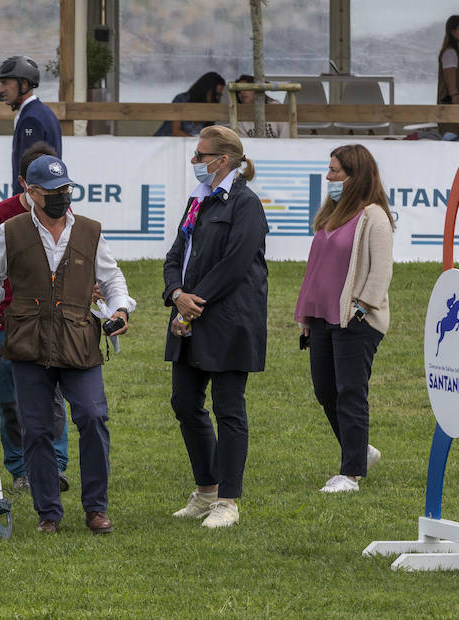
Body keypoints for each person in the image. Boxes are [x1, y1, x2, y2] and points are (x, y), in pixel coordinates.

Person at [0, 155, 133, 535]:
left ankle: (96, 509)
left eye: (66, 189)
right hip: (28, 341)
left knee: (93, 418)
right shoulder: (9, 230)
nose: (62, 197)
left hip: (79, 340)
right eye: (53, 191)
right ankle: (49, 513)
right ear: (31, 192)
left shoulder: (91, 231)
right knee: (37, 428)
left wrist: (121, 310)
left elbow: (113, 281)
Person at [162, 125, 267, 529]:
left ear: (222, 161)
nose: (194, 162)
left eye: (200, 156)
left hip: (229, 320)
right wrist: (176, 294)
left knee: (228, 408)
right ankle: (206, 491)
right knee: (184, 403)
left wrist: (191, 305)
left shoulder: (246, 204)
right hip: (190, 315)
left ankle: (228, 500)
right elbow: (175, 254)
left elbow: (236, 265)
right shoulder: (198, 201)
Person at [0, 140, 73, 493]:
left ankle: (54, 464)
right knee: (10, 397)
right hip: (6, 321)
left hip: (52, 318)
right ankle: (19, 468)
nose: (56, 195)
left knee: (53, 392)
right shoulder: (2, 214)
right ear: (26, 184)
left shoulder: (65, 214)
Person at [293, 145, 393, 494]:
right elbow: (315, 271)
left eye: (335, 171)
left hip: (355, 320)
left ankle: (350, 474)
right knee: (325, 390)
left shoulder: (374, 217)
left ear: (355, 175)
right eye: (330, 169)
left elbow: (381, 272)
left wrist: (361, 310)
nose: (329, 177)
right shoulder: (330, 215)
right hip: (321, 318)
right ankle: (360, 449)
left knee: (350, 392)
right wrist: (306, 314)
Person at [0, 55, 62, 194]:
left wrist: (20, 204)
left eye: (5, 82)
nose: (0, 89)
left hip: (32, 203)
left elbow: (30, 173)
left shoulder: (31, 119)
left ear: (24, 84)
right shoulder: (44, 112)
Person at [155, 72, 225, 137]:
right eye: (215, 94)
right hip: (162, 145)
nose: (217, 97)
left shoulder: (210, 109)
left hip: (186, 147)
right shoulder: (182, 99)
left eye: (219, 95)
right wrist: (196, 143)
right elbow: (175, 131)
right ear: (205, 90)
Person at [230, 74, 286, 139]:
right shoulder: (238, 114)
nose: (242, 92)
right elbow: (243, 142)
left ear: (257, 89)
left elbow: (285, 137)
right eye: (239, 91)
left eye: (246, 88)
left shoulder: (276, 107)